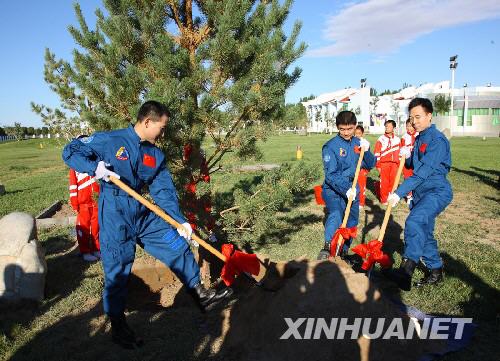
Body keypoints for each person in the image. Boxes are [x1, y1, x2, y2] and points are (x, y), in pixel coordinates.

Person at [62, 101, 231, 349]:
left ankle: (199, 294)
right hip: (115, 211)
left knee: (175, 245)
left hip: (142, 211)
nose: (163, 133)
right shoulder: (111, 141)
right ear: (147, 122)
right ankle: (119, 326)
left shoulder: (155, 154)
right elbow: (70, 151)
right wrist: (93, 167)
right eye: (161, 128)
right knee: (118, 267)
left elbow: (162, 190)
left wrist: (179, 220)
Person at [385, 98, 453, 291]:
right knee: (425, 232)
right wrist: (406, 157)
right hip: (421, 193)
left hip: (436, 191)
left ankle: (406, 270)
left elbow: (423, 172)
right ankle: (436, 270)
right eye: (411, 117)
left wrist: (399, 193)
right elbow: (414, 166)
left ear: (429, 115)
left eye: (418, 117)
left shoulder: (437, 140)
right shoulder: (419, 137)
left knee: (414, 222)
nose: (414, 121)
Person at [318, 111, 375, 260]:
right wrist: (346, 189)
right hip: (334, 189)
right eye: (342, 129)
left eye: (349, 129)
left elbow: (371, 164)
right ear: (337, 127)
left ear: (355, 126)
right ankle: (328, 247)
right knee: (336, 213)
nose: (346, 132)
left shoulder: (358, 143)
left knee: (351, 220)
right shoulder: (330, 147)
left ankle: (343, 250)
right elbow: (331, 175)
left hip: (353, 187)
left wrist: (367, 151)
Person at [69, 162, 100, 262]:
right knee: (84, 228)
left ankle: (97, 249)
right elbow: (73, 185)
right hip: (83, 204)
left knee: (97, 227)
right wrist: (75, 203)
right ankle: (85, 251)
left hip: (96, 202)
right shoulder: (75, 166)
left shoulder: (96, 161)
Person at [374, 120, 400, 205]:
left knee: (393, 182)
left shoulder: (397, 139)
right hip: (384, 163)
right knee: (384, 182)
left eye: (389, 126)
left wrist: (399, 165)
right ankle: (384, 199)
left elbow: (399, 153)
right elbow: (377, 153)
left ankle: (391, 198)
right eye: (386, 126)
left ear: (393, 128)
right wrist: (378, 165)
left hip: (394, 164)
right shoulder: (381, 139)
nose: (386, 127)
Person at [400, 119, 418, 204]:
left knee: (417, 177)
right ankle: (409, 196)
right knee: (407, 178)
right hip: (407, 162)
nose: (409, 128)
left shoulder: (418, 135)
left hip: (416, 161)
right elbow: (402, 149)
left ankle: (417, 194)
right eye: (407, 126)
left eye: (411, 126)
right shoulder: (404, 137)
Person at [354, 125, 369, 209]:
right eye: (355, 133)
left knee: (361, 186)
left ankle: (361, 203)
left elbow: (368, 158)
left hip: (362, 169)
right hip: (353, 168)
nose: (357, 135)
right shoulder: (351, 142)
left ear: (362, 134)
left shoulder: (365, 143)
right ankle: (354, 201)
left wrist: (366, 169)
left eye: (359, 133)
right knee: (353, 185)